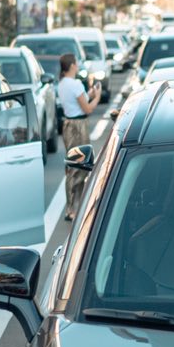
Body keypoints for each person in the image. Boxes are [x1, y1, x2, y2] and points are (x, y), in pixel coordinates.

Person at [56, 53, 100, 222]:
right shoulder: (75, 84)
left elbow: (78, 101)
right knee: (80, 166)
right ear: (72, 66)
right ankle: (73, 209)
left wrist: (89, 93)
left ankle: (74, 206)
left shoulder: (62, 84)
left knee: (73, 165)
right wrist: (97, 96)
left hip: (68, 125)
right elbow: (87, 108)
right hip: (79, 126)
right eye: (76, 63)